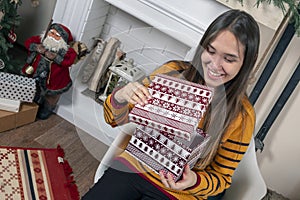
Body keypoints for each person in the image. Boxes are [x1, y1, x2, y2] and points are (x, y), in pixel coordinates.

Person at [83, 9, 260, 200]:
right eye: (211, 50)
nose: (215, 64)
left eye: (229, 59)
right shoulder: (173, 72)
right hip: (134, 166)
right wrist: (121, 96)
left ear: (246, 63)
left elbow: (222, 179)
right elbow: (113, 119)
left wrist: (193, 180)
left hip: (179, 193)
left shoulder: (241, 116)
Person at [21, 23, 77, 120]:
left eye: (57, 36)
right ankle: (33, 104)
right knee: (35, 88)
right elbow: (28, 42)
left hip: (55, 78)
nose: (53, 37)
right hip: (36, 72)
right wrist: (36, 47)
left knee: (51, 96)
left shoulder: (65, 50)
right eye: (51, 33)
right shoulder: (41, 40)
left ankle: (48, 108)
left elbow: (70, 60)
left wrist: (56, 57)